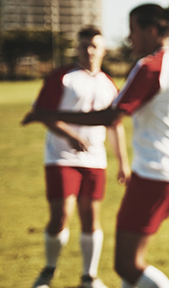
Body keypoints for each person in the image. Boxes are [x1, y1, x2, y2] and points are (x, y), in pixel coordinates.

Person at [25, 4, 169, 288]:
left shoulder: (150, 66)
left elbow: (112, 116)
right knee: (132, 264)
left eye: (132, 30)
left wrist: (50, 115)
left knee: (127, 265)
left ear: (151, 30)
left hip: (154, 173)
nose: (129, 38)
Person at [26, 26, 129, 288]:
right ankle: (48, 272)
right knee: (61, 216)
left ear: (104, 49)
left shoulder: (108, 82)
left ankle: (89, 277)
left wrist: (123, 163)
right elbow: (41, 112)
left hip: (95, 161)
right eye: (84, 45)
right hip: (61, 157)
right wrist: (70, 135)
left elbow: (115, 124)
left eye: (95, 45)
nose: (90, 50)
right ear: (77, 48)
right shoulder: (62, 77)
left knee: (91, 217)